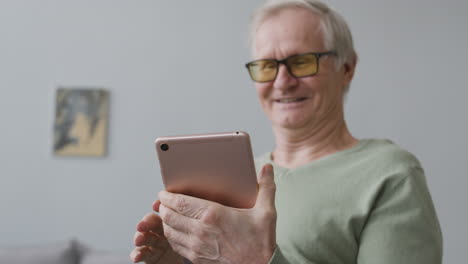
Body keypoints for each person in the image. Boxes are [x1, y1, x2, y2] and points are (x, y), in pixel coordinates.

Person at [130, 0, 443, 263]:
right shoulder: (240, 177)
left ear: (347, 68)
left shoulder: (390, 174)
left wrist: (257, 257)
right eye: (267, 66)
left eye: (302, 61)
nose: (282, 81)